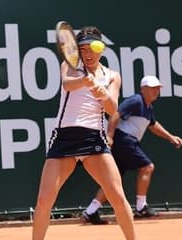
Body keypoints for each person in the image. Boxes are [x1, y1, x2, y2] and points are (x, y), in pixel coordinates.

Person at [32, 26, 137, 240]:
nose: (88, 54)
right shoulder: (70, 66)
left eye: (92, 48)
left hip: (93, 140)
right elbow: (67, 84)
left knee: (117, 195)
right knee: (44, 200)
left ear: (101, 49)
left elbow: (112, 108)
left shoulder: (112, 76)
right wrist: (85, 81)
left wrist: (103, 93)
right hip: (64, 138)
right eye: (83, 49)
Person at [82, 75, 182, 224]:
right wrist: (109, 136)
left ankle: (91, 211)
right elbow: (115, 114)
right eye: (153, 88)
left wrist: (170, 137)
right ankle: (141, 207)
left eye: (157, 88)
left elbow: (153, 125)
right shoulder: (136, 100)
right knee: (147, 167)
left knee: (113, 180)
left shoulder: (148, 107)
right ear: (143, 89)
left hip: (126, 142)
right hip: (125, 140)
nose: (156, 91)